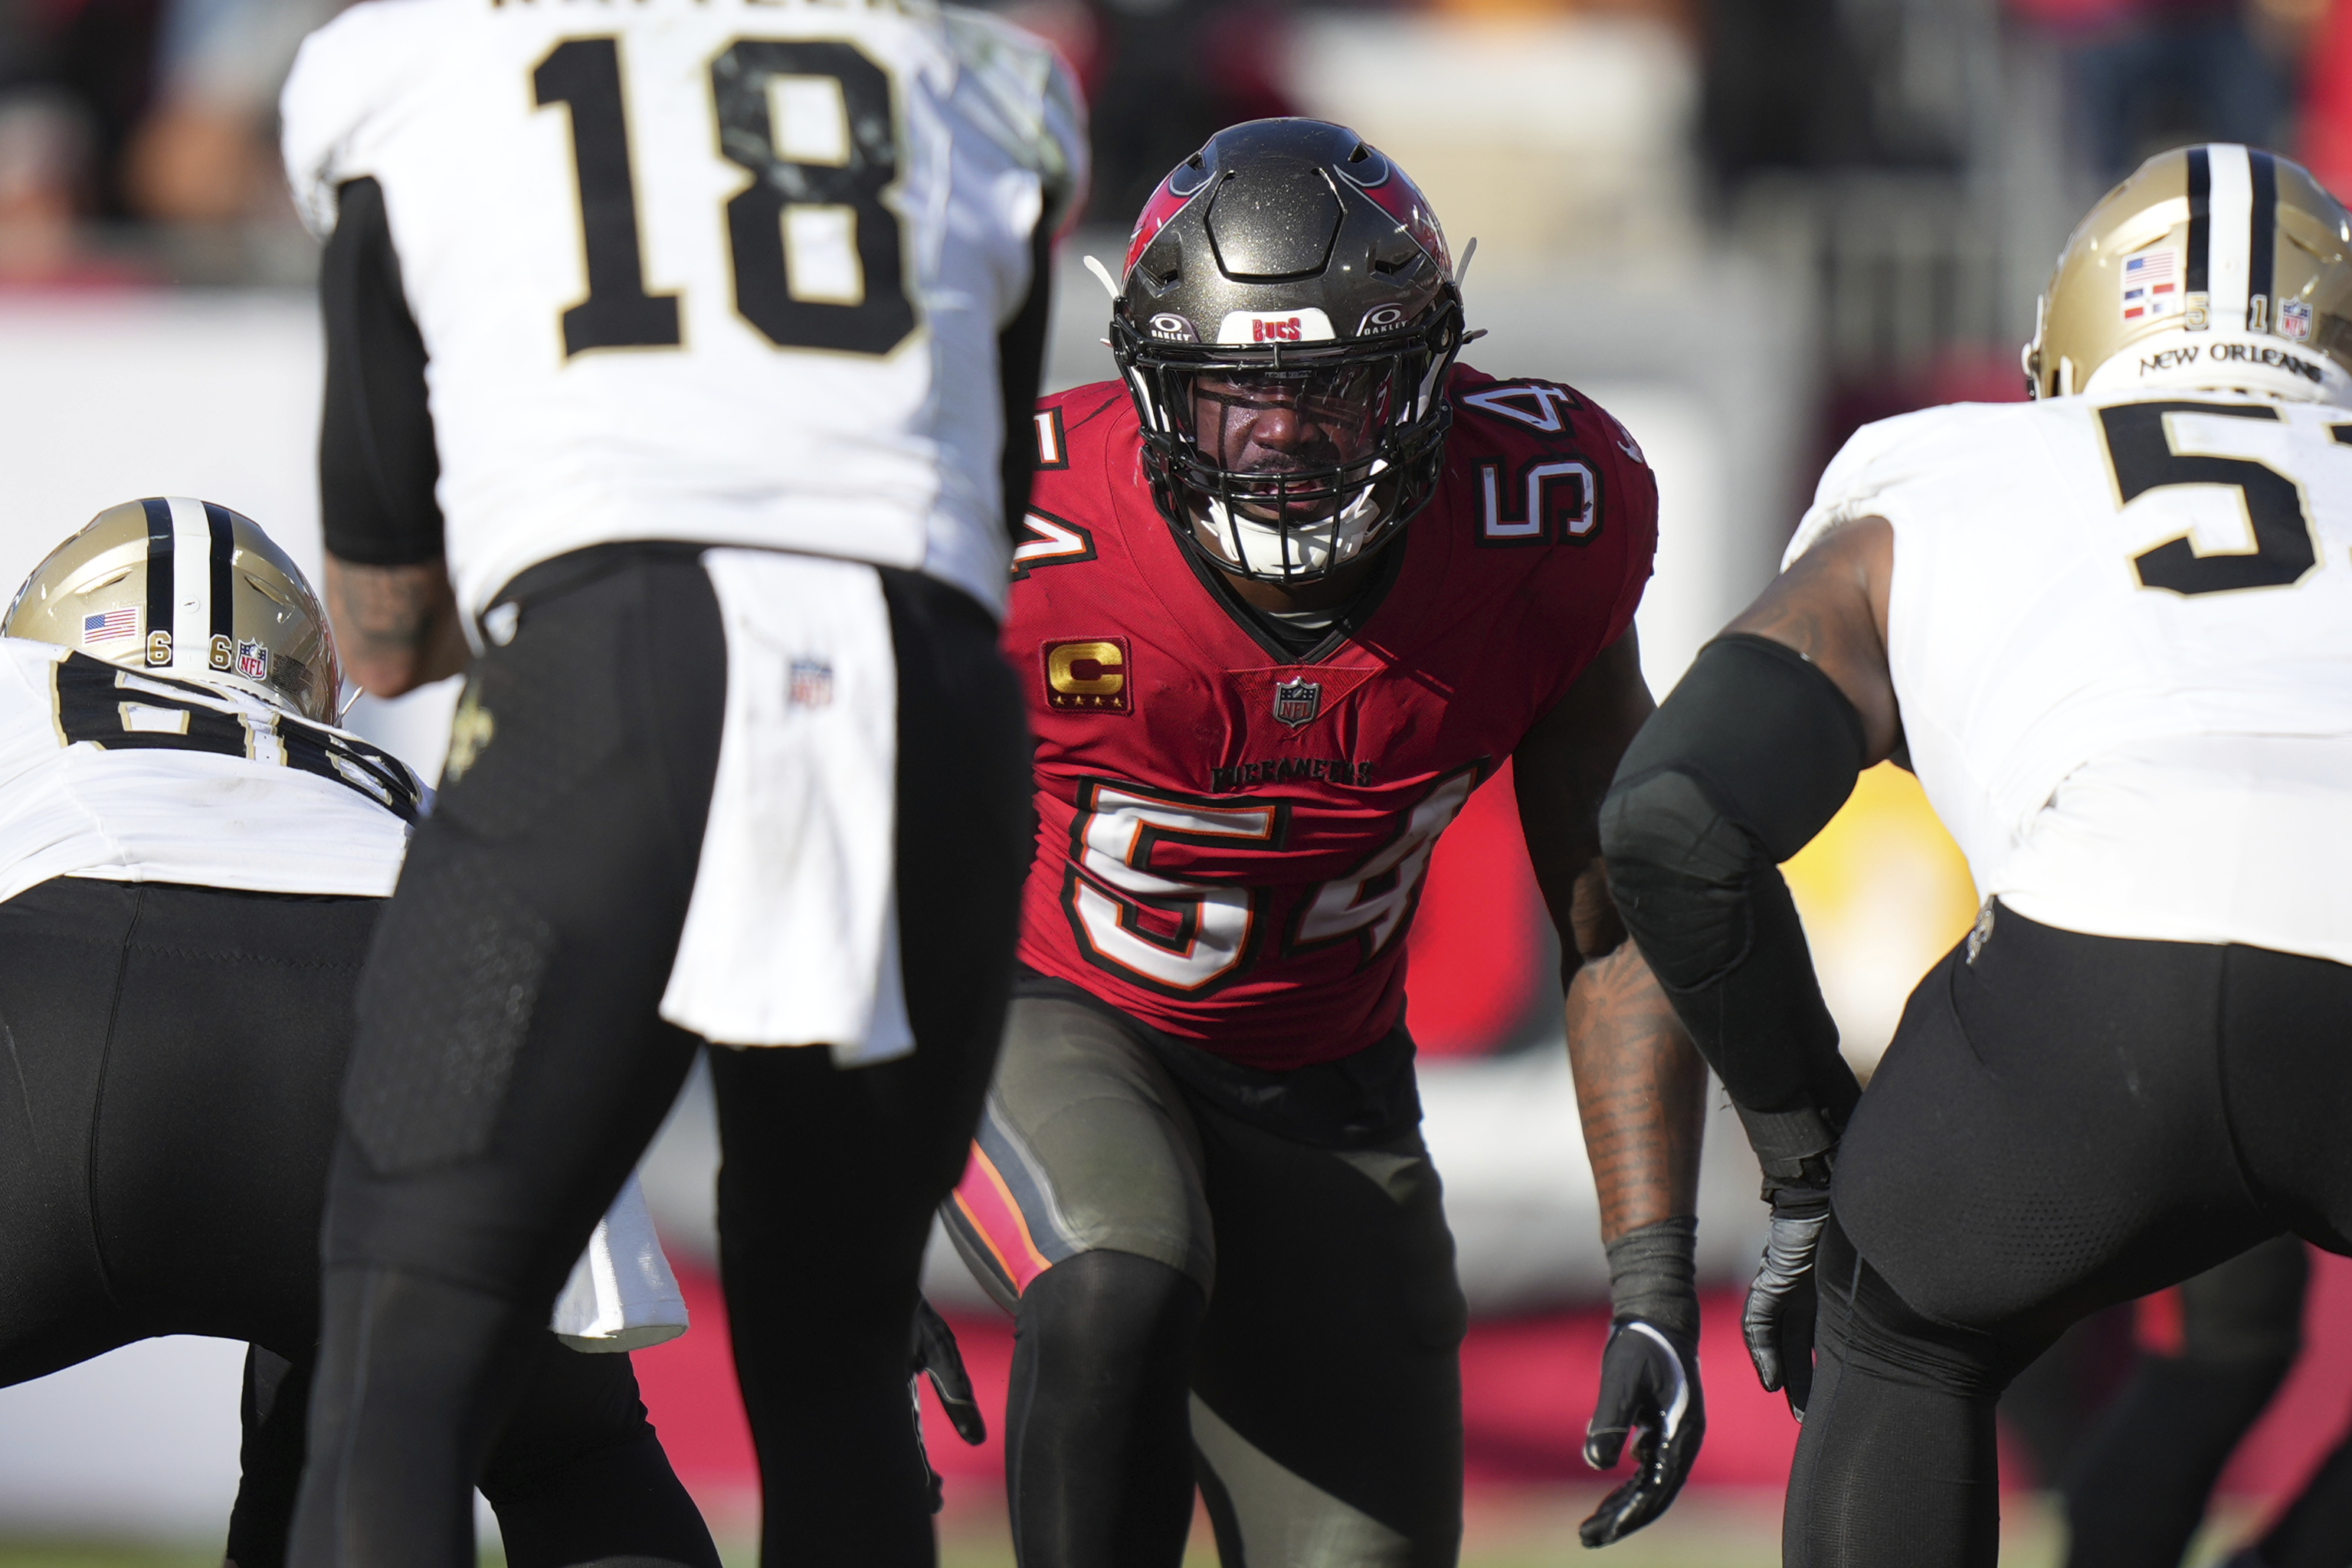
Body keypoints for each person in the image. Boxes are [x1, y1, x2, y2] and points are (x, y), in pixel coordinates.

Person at [274, 2, 1085, 1563]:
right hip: (927, 695)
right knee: (837, 1360)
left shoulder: (407, 65)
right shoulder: (973, 75)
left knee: (405, 1347)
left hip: (616, 674)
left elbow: (378, 626)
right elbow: (965, 516)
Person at [939, 117, 1713, 1566]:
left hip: (1327, 1087)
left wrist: (1652, 1273)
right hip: (1050, 1013)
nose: (1283, 436)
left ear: (1427, 377)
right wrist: (837, 1197)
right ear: (1153, 384)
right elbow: (843, 825)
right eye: (1233, 390)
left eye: (1336, 389)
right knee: (1117, 1272)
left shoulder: (1540, 514)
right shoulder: (1018, 519)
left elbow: (1615, 916)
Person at [1597, 142, 2352, 1568]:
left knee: (1902, 1336)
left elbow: (1670, 817)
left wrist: (1805, 1162)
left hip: (2099, 961)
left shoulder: (1946, 462)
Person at [0, 499, 719, 1568]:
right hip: (420, 1015)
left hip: (73, 1021)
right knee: (571, 1460)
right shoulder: (384, 783)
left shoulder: (27, 700)